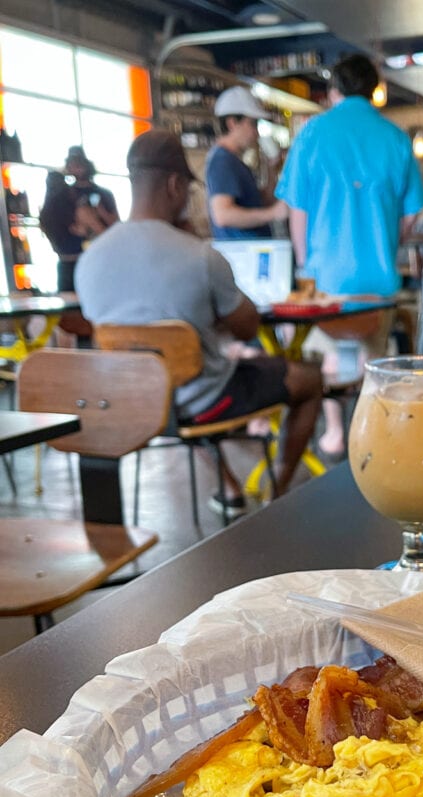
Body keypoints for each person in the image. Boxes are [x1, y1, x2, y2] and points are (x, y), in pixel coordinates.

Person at [76, 130, 322, 517]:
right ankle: (278, 492)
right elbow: (247, 328)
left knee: (177, 380)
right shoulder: (199, 256)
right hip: (206, 402)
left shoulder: (89, 261)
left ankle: (230, 489)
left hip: (134, 402)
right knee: (309, 379)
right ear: (175, 185)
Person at [275, 53, 423, 458]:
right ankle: (374, 435)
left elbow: (297, 212)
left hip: (326, 280)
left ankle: (335, 433)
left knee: (326, 363)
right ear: (374, 91)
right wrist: (389, 238)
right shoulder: (396, 138)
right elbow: (413, 212)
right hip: (378, 279)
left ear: (332, 92)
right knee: (373, 361)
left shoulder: (311, 133)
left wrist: (306, 264)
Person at [206, 85, 286, 239]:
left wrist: (271, 168)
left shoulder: (232, 160)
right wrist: (273, 213)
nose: (256, 132)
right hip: (242, 257)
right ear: (232, 123)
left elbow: (262, 200)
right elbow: (223, 215)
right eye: (253, 124)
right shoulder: (222, 161)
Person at [39, 146, 118, 291]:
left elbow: (114, 227)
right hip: (79, 262)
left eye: (79, 162)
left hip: (90, 261)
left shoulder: (102, 194)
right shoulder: (66, 199)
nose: (76, 167)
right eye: (72, 163)